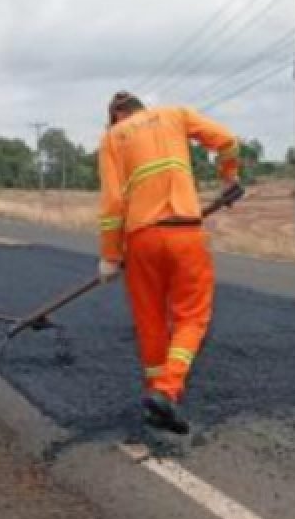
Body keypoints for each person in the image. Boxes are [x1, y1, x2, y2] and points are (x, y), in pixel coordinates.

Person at [98, 91, 240, 434]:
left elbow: (114, 202)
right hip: (185, 233)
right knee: (192, 316)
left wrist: (110, 256)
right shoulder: (175, 114)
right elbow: (228, 141)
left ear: (117, 114)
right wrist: (229, 176)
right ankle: (166, 392)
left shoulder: (113, 138)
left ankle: (155, 395)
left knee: (150, 321)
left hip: (142, 238)